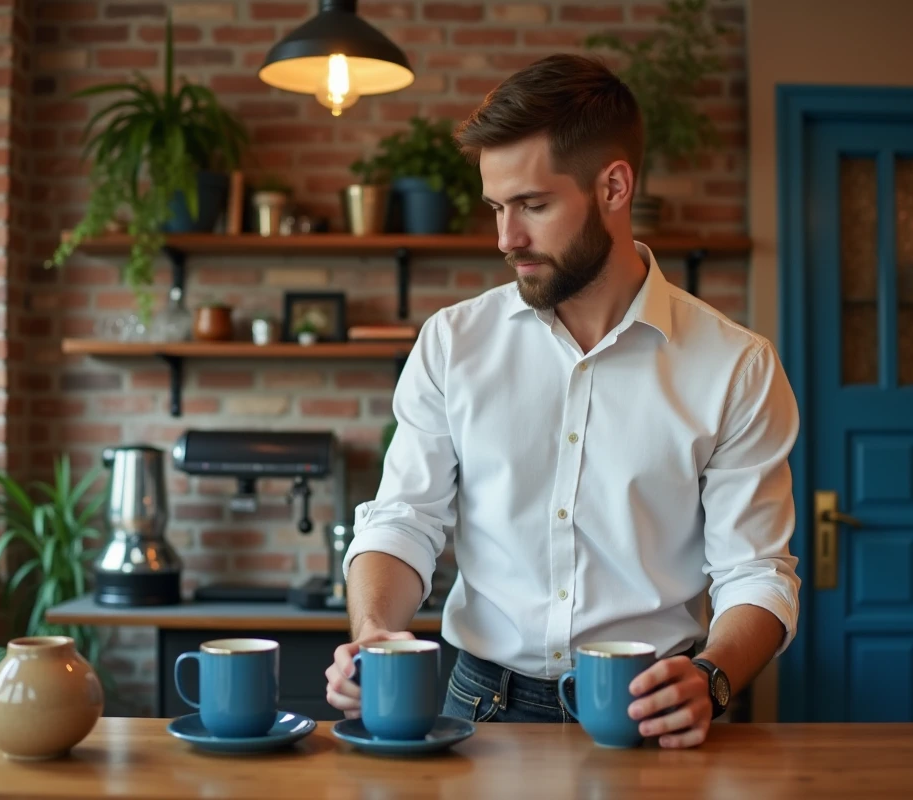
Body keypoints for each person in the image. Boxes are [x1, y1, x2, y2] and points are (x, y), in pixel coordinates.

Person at [324, 53, 800, 749]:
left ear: (613, 186)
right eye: (496, 208)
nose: (505, 239)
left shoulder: (737, 367)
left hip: (648, 713)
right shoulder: (453, 343)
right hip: (476, 710)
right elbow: (405, 519)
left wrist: (713, 677)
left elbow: (756, 572)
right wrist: (373, 633)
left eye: (533, 206)